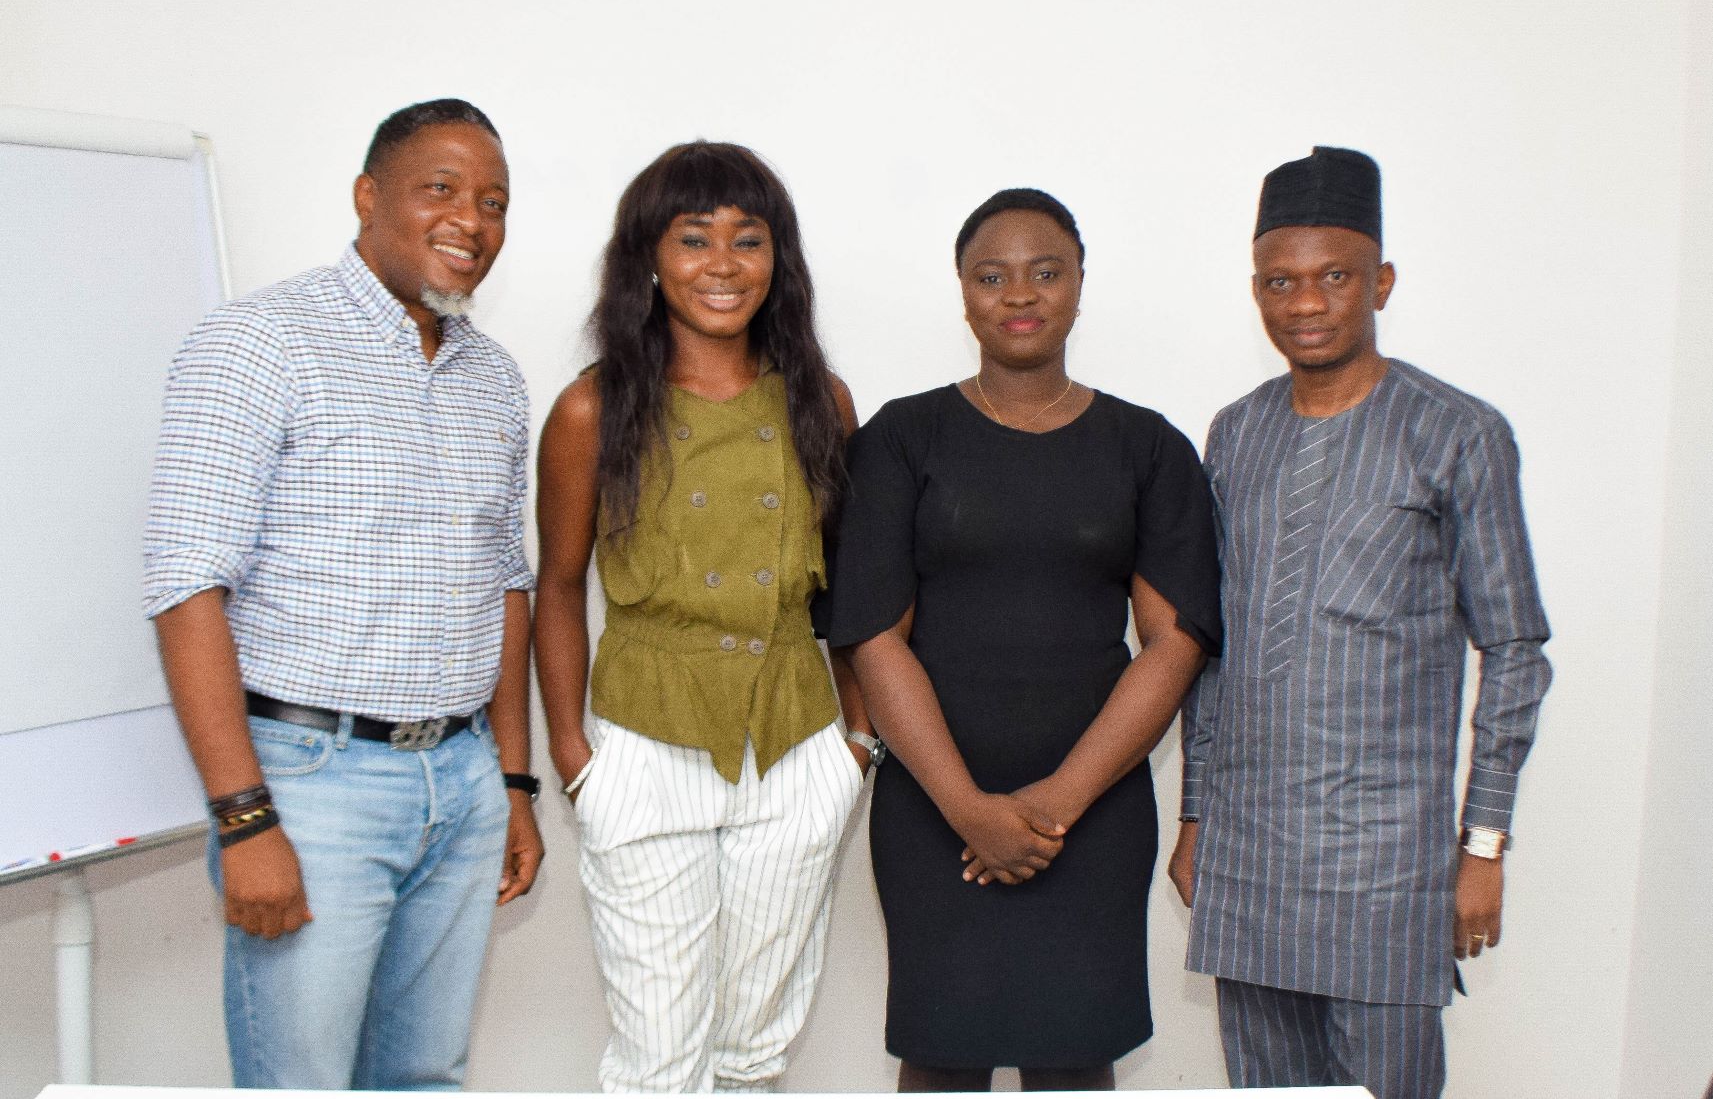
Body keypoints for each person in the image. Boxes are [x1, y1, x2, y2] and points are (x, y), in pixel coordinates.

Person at [143, 98, 543, 1089]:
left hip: (460, 780)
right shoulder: (260, 342)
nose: (471, 221)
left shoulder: (494, 378)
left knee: (424, 1080)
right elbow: (187, 587)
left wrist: (513, 784)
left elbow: (506, 585)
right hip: (311, 783)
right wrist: (246, 819)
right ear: (369, 197)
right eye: (440, 189)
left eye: (493, 201)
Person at [1168, 146, 1552, 1099]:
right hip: (1247, 855)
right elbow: (1211, 646)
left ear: (1379, 280)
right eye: (1279, 281)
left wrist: (1483, 845)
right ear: (1255, 290)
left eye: (1333, 276)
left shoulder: (1456, 431)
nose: (1305, 303)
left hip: (1385, 868)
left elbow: (1512, 647)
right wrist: (1196, 814)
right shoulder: (1236, 430)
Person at [825, 189, 1221, 1091]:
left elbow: (1172, 641)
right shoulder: (901, 438)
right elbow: (873, 636)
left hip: (1094, 808)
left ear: (1080, 285)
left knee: (1074, 1058)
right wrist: (969, 807)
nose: (1020, 294)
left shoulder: (1147, 447)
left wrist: (1054, 806)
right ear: (961, 294)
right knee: (940, 1055)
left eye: (1046, 271)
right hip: (933, 803)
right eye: (991, 275)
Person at [533, 141, 869, 1093]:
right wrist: (573, 756)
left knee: (755, 1050)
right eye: (693, 238)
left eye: (747, 240)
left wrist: (857, 743)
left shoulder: (820, 399)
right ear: (648, 255)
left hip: (795, 744)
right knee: (658, 1060)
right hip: (645, 744)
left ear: (778, 261)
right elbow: (558, 584)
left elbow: (848, 584)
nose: (722, 264)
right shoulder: (592, 408)